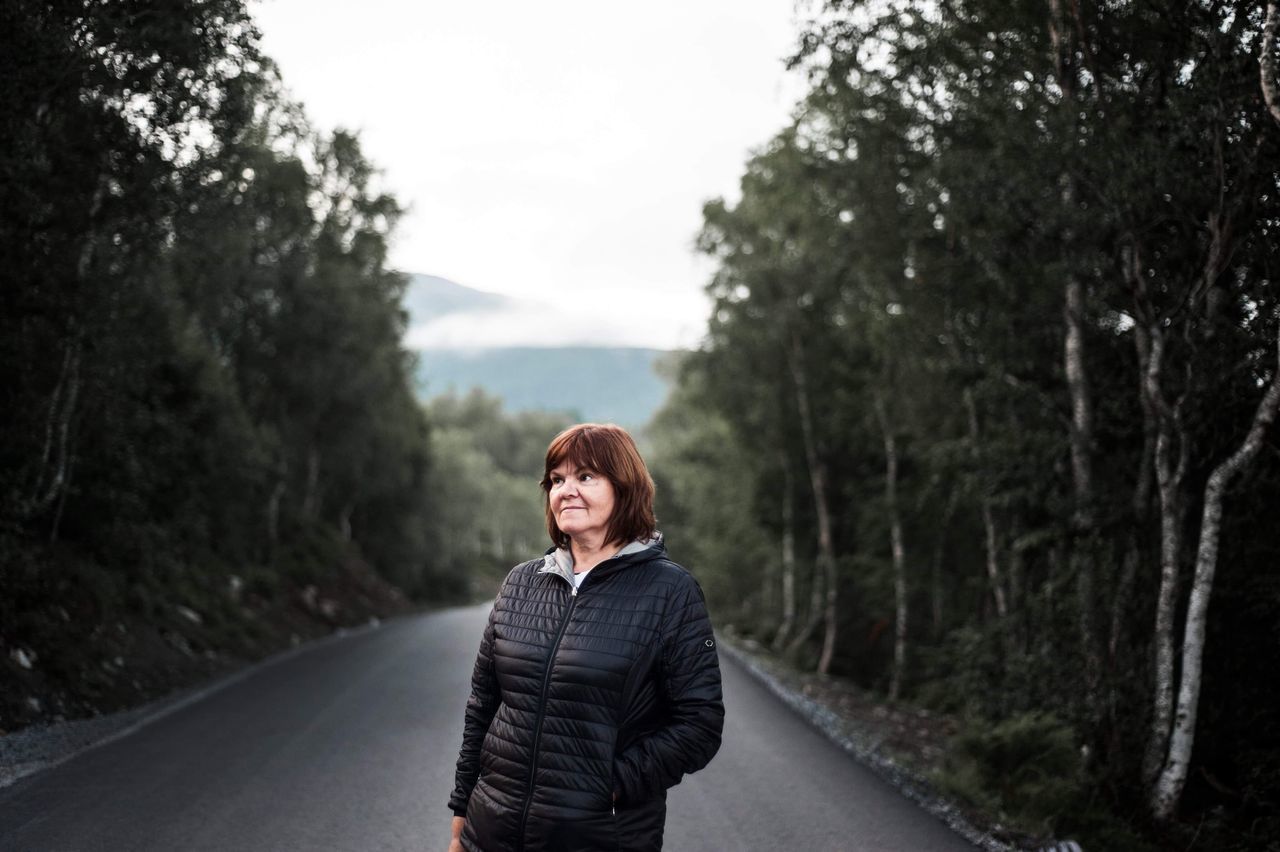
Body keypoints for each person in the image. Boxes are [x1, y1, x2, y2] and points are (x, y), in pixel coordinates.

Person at [447, 423, 724, 852]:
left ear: (625, 487)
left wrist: (609, 786)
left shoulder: (670, 591)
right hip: (492, 832)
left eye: (586, 476)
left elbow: (699, 723)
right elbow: (483, 707)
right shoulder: (521, 583)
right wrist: (462, 815)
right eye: (557, 480)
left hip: (600, 837)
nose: (566, 490)